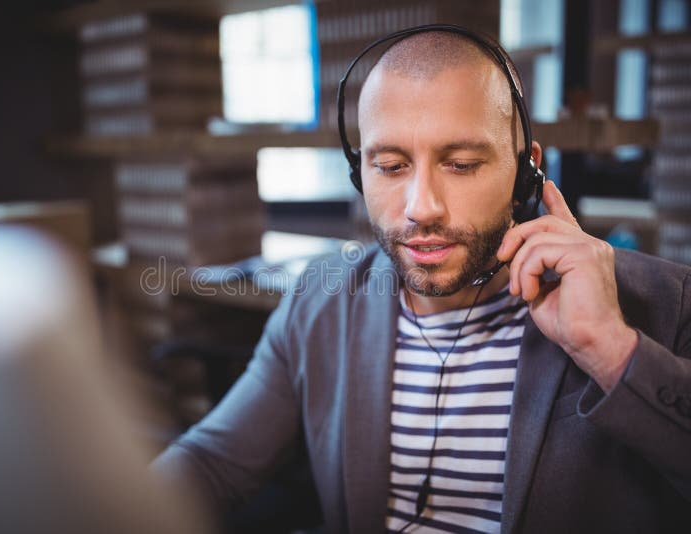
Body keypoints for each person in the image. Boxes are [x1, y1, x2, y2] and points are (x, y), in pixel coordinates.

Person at [154, 28, 691, 533]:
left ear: (524, 171)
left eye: (461, 164)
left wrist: (610, 350)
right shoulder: (321, 304)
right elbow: (213, 462)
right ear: (358, 173)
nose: (422, 207)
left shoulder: (667, 304)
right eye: (390, 166)